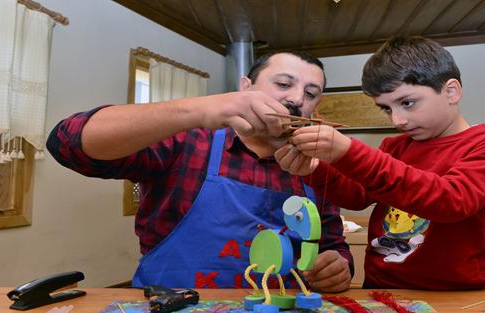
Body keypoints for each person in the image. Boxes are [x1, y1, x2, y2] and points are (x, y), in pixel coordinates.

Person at [46, 51, 353, 292]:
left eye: (310, 93)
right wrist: (197, 110)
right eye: (284, 84)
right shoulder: (189, 142)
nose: (296, 99)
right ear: (245, 87)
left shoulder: (317, 167)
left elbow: (332, 246)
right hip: (172, 310)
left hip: (277, 312)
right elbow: (67, 144)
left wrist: (338, 268)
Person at [276, 37, 485, 290]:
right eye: (386, 109)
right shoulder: (395, 147)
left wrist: (348, 152)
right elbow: (357, 197)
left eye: (407, 103)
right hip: (380, 288)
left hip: (455, 294)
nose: (398, 120)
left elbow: (451, 201)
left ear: (451, 91)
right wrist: (316, 169)